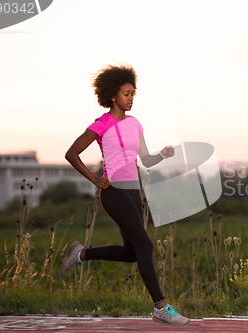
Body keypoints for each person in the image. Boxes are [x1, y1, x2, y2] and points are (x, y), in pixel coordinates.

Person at [61, 64, 189, 326]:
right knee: (146, 245)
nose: (131, 98)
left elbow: (145, 159)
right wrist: (95, 179)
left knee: (132, 253)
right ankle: (161, 307)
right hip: (114, 192)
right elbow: (71, 154)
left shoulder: (135, 124)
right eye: (126, 94)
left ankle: (81, 254)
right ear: (112, 96)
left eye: (133, 93)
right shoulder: (101, 124)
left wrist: (162, 154)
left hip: (134, 192)